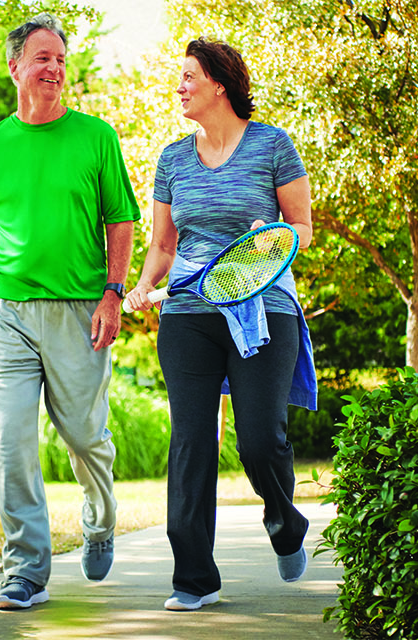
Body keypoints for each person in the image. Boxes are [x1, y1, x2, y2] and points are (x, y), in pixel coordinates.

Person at [126, 37, 320, 612]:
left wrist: (271, 241)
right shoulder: (172, 158)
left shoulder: (273, 145)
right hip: (187, 311)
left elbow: (302, 228)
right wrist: (140, 286)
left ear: (219, 84)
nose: (179, 85)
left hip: (263, 308)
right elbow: (162, 245)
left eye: (189, 76)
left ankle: (285, 524)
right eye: (179, 76)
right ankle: (193, 578)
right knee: (191, 442)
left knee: (261, 439)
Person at [0, 13, 140, 612]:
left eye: (61, 60)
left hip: (79, 309)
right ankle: (25, 570)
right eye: (43, 59)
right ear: (15, 68)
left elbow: (120, 220)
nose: (56, 70)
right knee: (10, 443)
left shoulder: (96, 137)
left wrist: (114, 293)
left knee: (86, 437)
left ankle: (99, 518)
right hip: (4, 312)